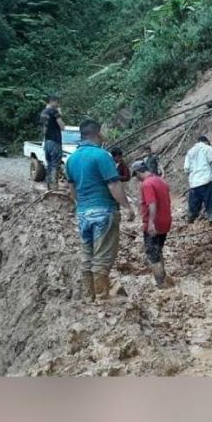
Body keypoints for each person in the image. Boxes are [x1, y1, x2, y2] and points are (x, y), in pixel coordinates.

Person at [65, 119, 136, 300]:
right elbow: (113, 185)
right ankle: (102, 299)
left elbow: (71, 190)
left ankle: (89, 297)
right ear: (97, 134)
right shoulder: (102, 156)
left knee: (87, 255)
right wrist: (127, 207)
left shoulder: (71, 159)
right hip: (104, 211)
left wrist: (81, 207)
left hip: (83, 213)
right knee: (102, 257)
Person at [131, 161, 174, 288]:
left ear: (139, 172)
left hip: (154, 223)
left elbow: (152, 204)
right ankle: (164, 277)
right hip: (165, 221)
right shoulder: (161, 181)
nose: (136, 179)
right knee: (157, 250)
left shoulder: (146, 184)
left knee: (152, 253)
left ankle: (161, 284)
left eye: (136, 175)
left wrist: (150, 223)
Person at [39, 94, 65, 191]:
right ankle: (54, 189)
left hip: (47, 141)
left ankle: (49, 188)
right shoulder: (54, 111)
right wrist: (60, 114)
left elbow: (44, 130)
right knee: (55, 165)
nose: (58, 104)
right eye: (57, 102)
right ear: (53, 101)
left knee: (49, 165)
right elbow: (62, 126)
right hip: (55, 141)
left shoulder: (43, 112)